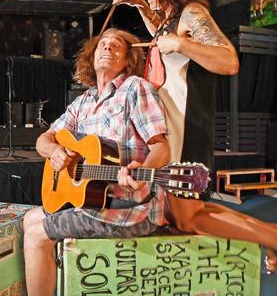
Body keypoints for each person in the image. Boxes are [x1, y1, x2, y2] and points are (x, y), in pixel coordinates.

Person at [112, 0, 277, 294]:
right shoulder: (170, 20)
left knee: (189, 217)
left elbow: (229, 60)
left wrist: (182, 45)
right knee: (186, 217)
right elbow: (163, 35)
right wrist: (139, 6)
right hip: (170, 132)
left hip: (188, 130)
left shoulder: (192, 14)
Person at [23, 28, 171, 296]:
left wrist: (143, 171)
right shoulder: (83, 101)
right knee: (29, 218)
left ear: (128, 61)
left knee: (35, 232)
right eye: (103, 44)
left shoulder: (135, 88)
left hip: (129, 209)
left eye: (116, 47)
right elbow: (42, 140)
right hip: (99, 203)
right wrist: (54, 150)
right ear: (91, 57)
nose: (107, 48)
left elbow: (161, 147)